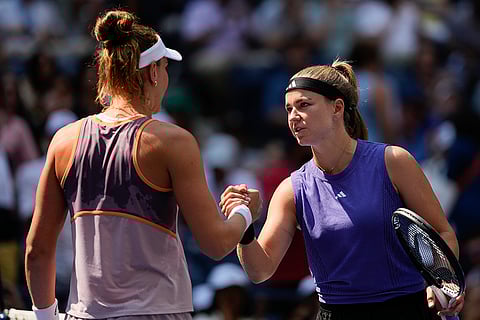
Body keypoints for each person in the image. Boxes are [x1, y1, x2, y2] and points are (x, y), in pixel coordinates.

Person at [24, 9, 261, 320]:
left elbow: (37, 251)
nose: (166, 79)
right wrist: (245, 212)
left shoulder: (63, 140)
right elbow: (216, 243)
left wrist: (44, 316)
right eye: (165, 68)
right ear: (152, 72)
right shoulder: (172, 142)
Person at [220, 60, 465, 319]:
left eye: (304, 105)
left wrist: (441, 283)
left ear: (337, 107)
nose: (293, 117)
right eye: (288, 109)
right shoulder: (291, 189)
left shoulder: (393, 161)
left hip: (408, 309)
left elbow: (443, 233)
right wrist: (244, 222)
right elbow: (260, 271)